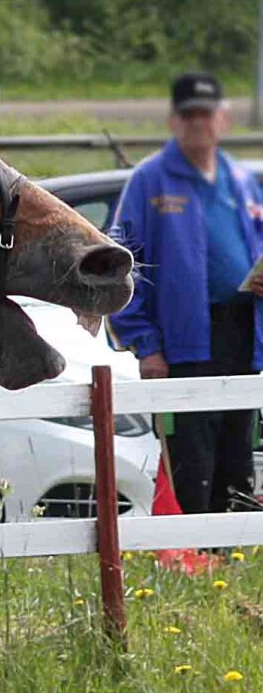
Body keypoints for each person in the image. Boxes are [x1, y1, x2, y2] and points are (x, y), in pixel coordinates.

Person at [110, 71, 263, 513]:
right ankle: (192, 549)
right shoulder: (150, 181)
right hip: (183, 349)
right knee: (193, 467)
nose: (199, 123)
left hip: (241, 340)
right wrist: (146, 345)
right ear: (174, 121)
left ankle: (230, 549)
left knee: (237, 463)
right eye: (189, 115)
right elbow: (121, 265)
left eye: (206, 114)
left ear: (223, 119)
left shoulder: (240, 179)